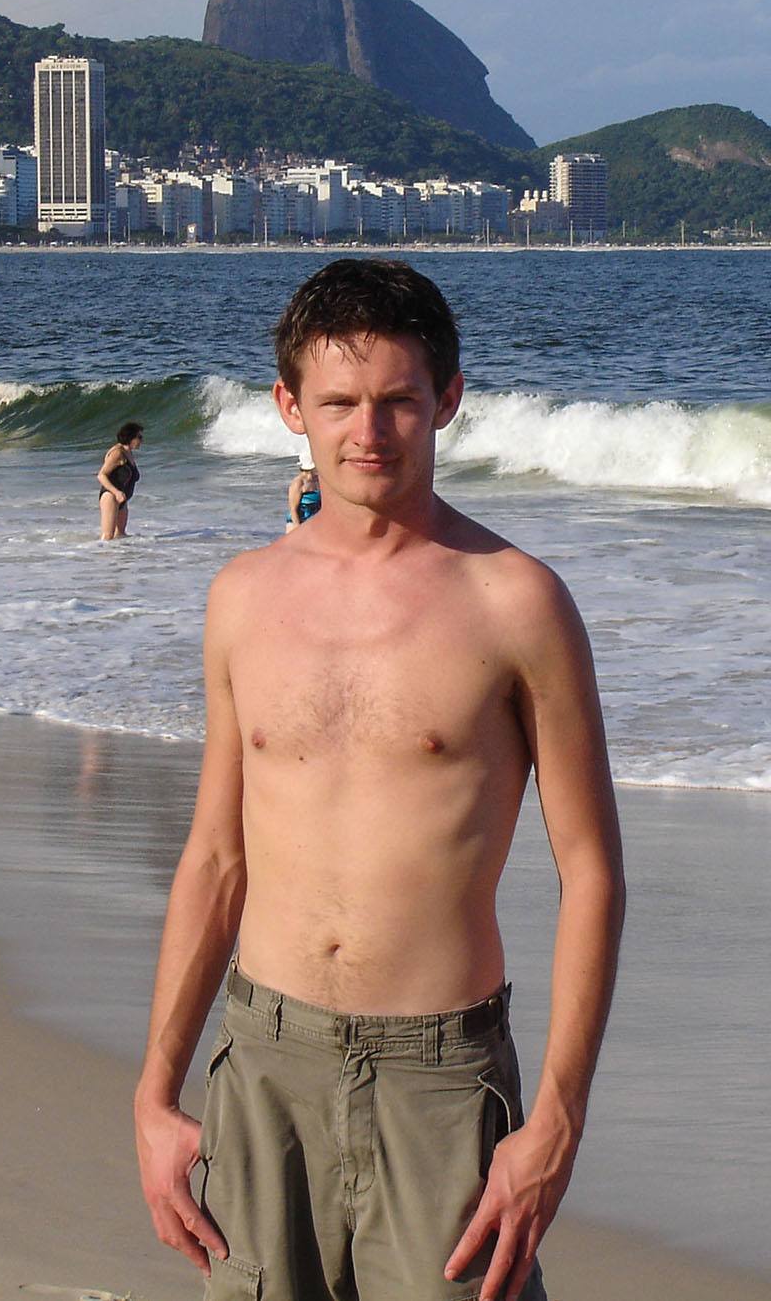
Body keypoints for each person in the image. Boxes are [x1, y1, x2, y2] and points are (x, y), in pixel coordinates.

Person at [133, 259, 624, 1301]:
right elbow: (217, 857)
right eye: (341, 404)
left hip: (440, 1079)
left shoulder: (516, 603)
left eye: (401, 401)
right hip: (264, 1061)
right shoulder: (243, 598)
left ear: (446, 399)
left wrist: (557, 1122)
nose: (371, 432)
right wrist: (154, 1092)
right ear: (289, 410)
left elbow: (591, 873)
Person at [98, 421, 144, 540]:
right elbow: (101, 475)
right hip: (111, 497)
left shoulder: (129, 453)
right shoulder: (117, 453)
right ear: (130, 437)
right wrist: (116, 493)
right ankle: (99, 556)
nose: (141, 440)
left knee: (121, 536)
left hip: (122, 499)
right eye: (139, 437)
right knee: (108, 536)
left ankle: (120, 558)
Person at [284, 451, 321, 533]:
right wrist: (297, 528)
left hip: (314, 521)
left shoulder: (318, 480)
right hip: (298, 521)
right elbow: (293, 509)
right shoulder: (298, 483)